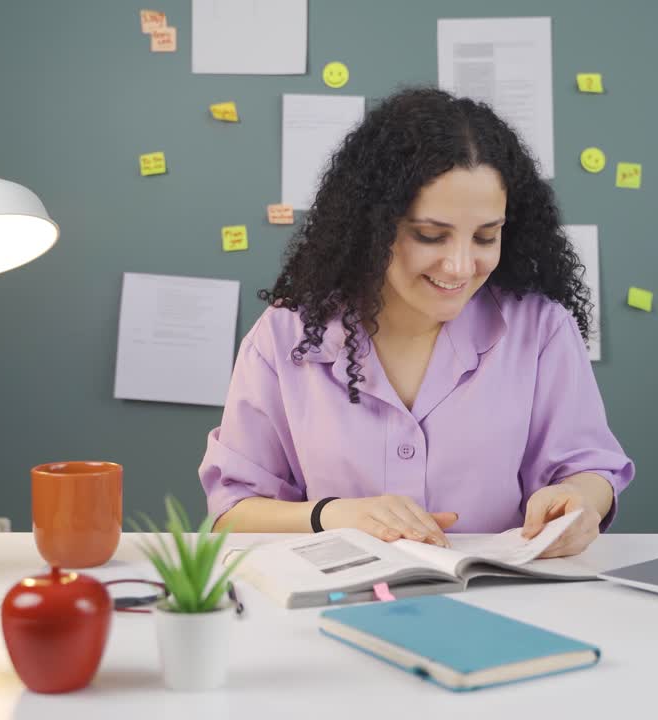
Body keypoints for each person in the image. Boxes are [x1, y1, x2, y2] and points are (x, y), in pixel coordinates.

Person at [200, 88, 634, 558]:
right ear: (374, 227)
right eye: (431, 236)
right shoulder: (285, 335)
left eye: (487, 236)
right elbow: (233, 510)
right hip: (334, 605)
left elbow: (590, 470)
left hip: (501, 600)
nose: (461, 266)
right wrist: (333, 515)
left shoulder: (540, 329)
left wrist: (580, 499)